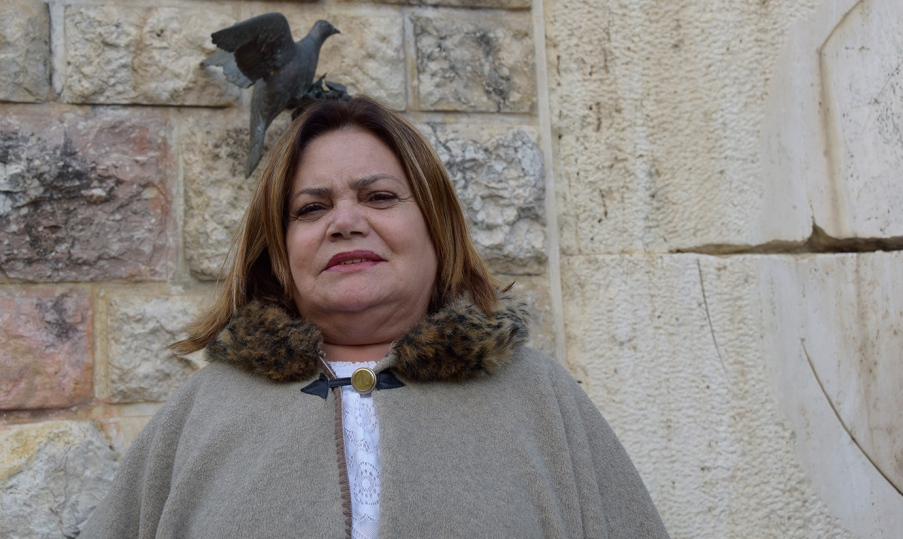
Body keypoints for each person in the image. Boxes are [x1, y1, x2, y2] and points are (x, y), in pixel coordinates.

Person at [81, 96, 669, 539]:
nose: (345, 222)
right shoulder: (202, 412)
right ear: (280, 253)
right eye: (312, 208)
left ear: (436, 227)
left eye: (379, 197)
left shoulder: (540, 399)